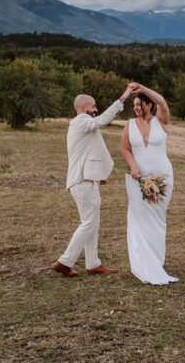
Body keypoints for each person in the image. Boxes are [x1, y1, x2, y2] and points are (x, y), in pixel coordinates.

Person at [53, 88, 135, 277]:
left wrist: (98, 173)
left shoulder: (82, 124)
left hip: (87, 179)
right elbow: (102, 120)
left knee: (93, 223)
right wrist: (123, 97)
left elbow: (89, 150)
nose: (96, 109)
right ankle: (65, 261)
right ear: (83, 108)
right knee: (89, 222)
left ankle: (93, 263)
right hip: (82, 181)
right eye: (93, 106)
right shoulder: (82, 121)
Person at [121, 84, 178, 284]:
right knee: (139, 217)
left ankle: (155, 260)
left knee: (156, 217)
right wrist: (133, 166)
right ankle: (142, 262)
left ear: (148, 104)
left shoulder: (161, 121)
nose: (136, 108)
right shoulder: (129, 124)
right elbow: (125, 149)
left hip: (161, 176)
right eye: (134, 105)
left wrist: (143, 88)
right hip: (141, 176)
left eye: (139, 104)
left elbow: (162, 100)